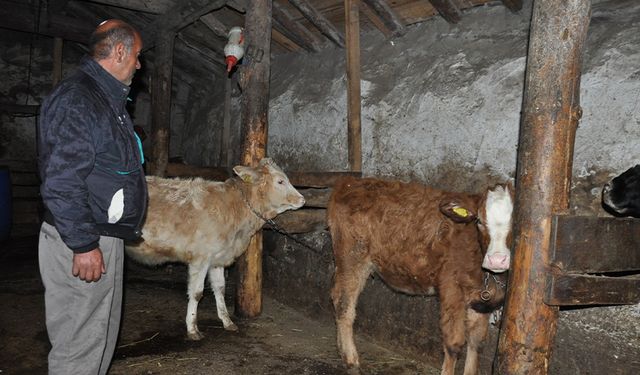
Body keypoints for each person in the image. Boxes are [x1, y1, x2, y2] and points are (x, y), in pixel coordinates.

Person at [37, 19, 147, 375]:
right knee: (78, 342)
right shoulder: (79, 99)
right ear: (119, 52)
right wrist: (84, 244)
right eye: (137, 56)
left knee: (97, 337)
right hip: (82, 240)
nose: (139, 65)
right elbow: (62, 179)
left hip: (99, 234)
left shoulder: (105, 98)